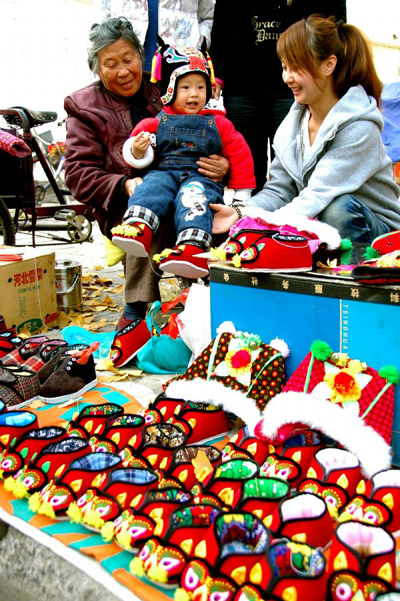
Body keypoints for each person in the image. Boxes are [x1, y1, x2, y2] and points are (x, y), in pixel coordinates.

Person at [63, 17, 228, 330]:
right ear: (97, 68)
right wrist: (124, 185)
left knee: (211, 211)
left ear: (142, 56)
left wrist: (221, 166)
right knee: (142, 215)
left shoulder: (166, 89)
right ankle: (136, 309)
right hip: (121, 203)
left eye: (129, 59)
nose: (124, 71)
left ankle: (208, 302)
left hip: (185, 185)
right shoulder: (83, 106)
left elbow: (211, 132)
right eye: (111, 63)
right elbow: (78, 174)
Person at [211, 15, 400, 244]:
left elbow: (317, 195)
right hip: (321, 221)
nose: (287, 78)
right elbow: (279, 192)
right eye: (284, 67)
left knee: (335, 208)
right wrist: (240, 213)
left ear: (328, 65)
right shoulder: (293, 125)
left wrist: (260, 226)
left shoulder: (360, 127)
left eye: (296, 68)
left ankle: (355, 277)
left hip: (382, 237)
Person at [111, 40, 255, 279]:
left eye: (200, 87)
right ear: (169, 89)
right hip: (164, 174)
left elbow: (240, 154)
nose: (194, 94)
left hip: (200, 177)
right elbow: (136, 153)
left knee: (194, 200)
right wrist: (137, 150)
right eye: (185, 87)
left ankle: (191, 248)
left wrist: (241, 197)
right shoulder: (157, 122)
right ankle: (138, 227)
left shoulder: (219, 123)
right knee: (151, 187)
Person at [210, 0, 347, 192]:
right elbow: (223, 19)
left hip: (295, 84)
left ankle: (288, 217)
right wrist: (218, 71)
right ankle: (249, 216)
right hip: (241, 80)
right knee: (244, 169)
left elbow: (334, 22)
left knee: (292, 166)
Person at [101, 0, 215, 70]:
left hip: (183, 73)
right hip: (125, 74)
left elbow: (208, 17)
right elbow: (103, 19)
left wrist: (199, 47)